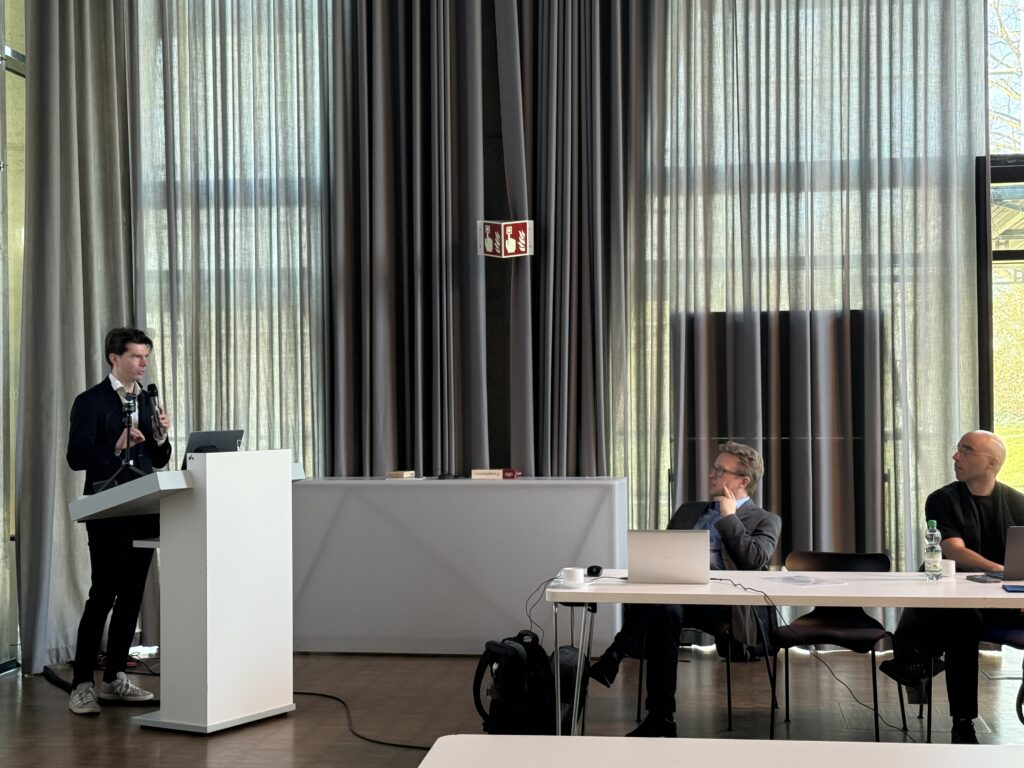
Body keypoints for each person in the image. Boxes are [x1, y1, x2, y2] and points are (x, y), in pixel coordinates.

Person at [587, 441, 782, 737]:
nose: (711, 474)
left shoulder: (765, 520)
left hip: (722, 604)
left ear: (743, 481)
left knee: (661, 606)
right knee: (665, 609)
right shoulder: (690, 510)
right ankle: (660, 717)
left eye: (720, 470)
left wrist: (729, 517)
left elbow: (754, 560)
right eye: (713, 467)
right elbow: (666, 553)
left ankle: (616, 658)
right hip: (675, 596)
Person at [885, 430, 1024, 744]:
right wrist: (1001, 571)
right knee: (963, 622)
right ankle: (963, 722)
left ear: (992, 463)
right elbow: (953, 550)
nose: (955, 456)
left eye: (966, 450)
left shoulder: (1017, 503)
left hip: (1004, 599)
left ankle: (918, 661)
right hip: (955, 599)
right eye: (958, 448)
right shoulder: (942, 499)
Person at [65, 327, 172, 715]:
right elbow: (76, 457)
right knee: (103, 596)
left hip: (143, 508)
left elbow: (158, 461)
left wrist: (161, 437)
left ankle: (114, 679)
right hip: (109, 510)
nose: (144, 364)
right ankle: (81, 685)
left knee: (131, 597)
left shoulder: (146, 400)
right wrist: (115, 445)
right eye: (136, 356)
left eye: (146, 357)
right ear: (115, 358)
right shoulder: (90, 401)